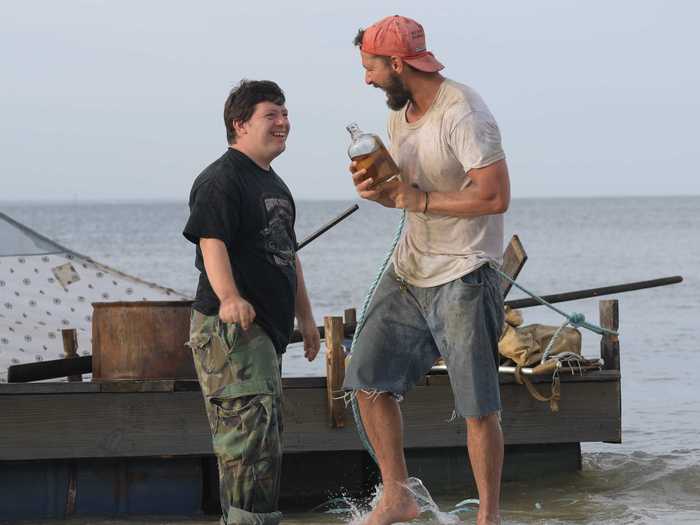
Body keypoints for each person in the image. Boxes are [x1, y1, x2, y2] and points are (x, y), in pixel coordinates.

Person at [342, 16, 511, 525]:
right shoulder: (399, 116)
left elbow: (495, 195)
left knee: (478, 407)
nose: (366, 79)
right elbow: (406, 192)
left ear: (397, 63)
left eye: (370, 68)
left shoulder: (464, 112)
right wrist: (383, 190)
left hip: (464, 272)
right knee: (366, 380)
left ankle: (488, 517)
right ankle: (397, 495)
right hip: (409, 269)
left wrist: (417, 197)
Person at [183, 79, 320, 525]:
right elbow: (211, 241)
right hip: (232, 332)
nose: (283, 122)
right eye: (271, 115)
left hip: (266, 332)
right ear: (240, 124)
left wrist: (307, 318)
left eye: (284, 113)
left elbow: (287, 255)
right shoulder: (222, 179)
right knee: (247, 443)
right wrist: (229, 297)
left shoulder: (274, 184)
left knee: (263, 439)